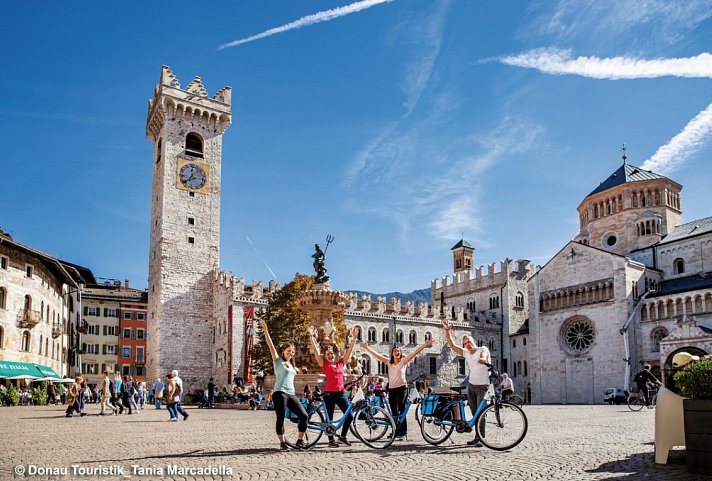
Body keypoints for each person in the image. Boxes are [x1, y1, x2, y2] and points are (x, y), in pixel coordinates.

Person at [361, 336, 435, 440]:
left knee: (401, 409)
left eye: (398, 351)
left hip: (402, 388)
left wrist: (425, 344)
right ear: (392, 353)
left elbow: (415, 352)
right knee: (393, 411)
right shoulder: (388, 362)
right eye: (395, 351)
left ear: (400, 353)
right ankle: (395, 431)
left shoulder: (403, 361)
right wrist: (367, 348)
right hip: (392, 389)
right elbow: (376, 355)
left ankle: (403, 432)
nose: (397, 352)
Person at [260, 318, 308, 451]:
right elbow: (270, 345)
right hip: (279, 393)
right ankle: (282, 443)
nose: (291, 353)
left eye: (292, 351)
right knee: (280, 418)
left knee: (304, 416)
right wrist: (265, 330)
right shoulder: (278, 361)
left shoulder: (293, 366)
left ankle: (300, 440)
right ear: (283, 351)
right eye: (288, 351)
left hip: (291, 393)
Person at [442, 318, 491, 447]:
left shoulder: (482, 349)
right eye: (465, 343)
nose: (467, 344)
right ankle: (477, 436)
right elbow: (452, 346)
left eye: (469, 342)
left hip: (483, 386)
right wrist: (447, 332)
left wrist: (482, 359)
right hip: (472, 386)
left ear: (473, 341)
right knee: (475, 413)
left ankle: (481, 438)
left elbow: (484, 355)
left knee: (481, 413)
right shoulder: (466, 353)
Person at [308, 326, 360, 447]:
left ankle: (343, 436)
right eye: (327, 354)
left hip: (341, 393)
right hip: (329, 394)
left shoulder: (341, 363)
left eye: (331, 353)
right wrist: (311, 336)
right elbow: (316, 352)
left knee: (350, 415)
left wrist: (354, 339)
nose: (330, 355)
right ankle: (331, 440)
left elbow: (349, 351)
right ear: (325, 356)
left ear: (334, 354)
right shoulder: (325, 365)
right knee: (329, 418)